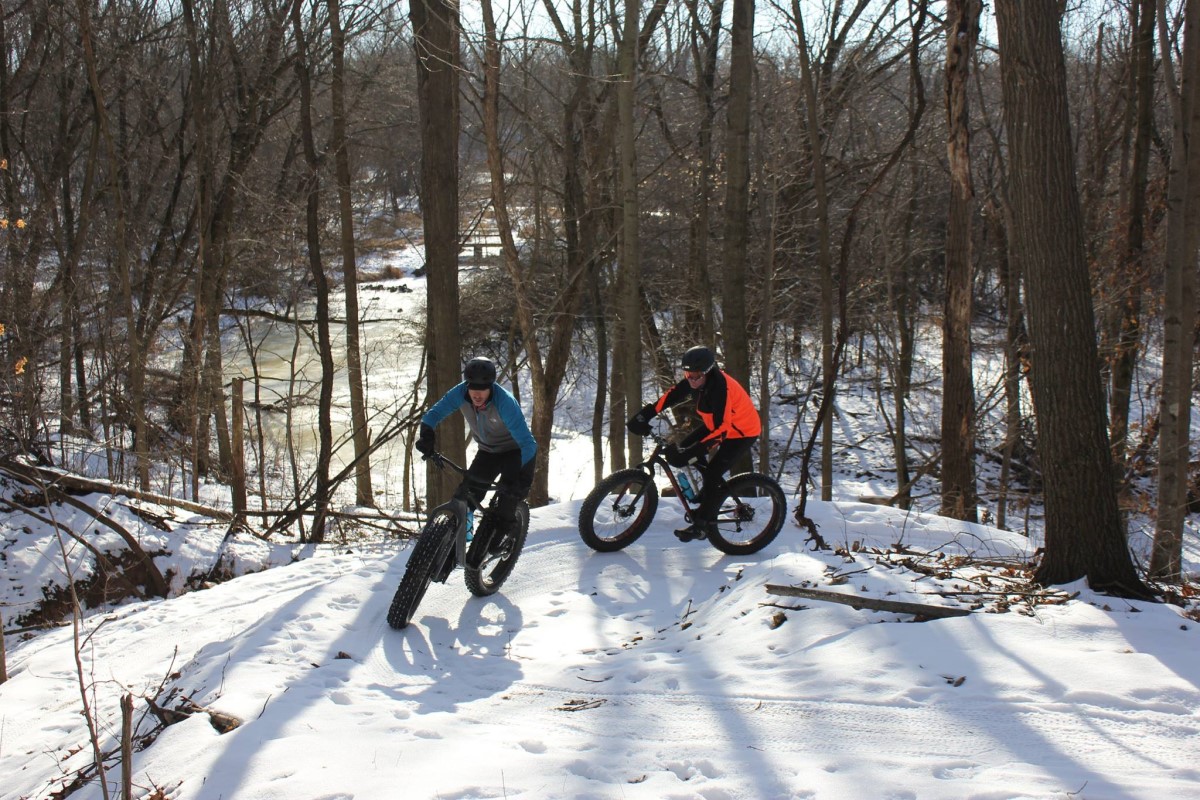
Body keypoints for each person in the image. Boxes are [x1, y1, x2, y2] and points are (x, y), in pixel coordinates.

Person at [626, 346, 762, 542]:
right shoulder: (697, 379)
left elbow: (723, 429)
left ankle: (702, 525)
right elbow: (672, 395)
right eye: (687, 374)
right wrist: (644, 415)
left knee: (713, 471)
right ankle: (708, 494)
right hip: (715, 426)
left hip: (741, 432)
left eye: (696, 376)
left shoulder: (720, 388)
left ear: (708, 372)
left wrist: (694, 451)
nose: (691, 379)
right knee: (684, 450)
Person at [415, 356, 537, 554]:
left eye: (482, 390)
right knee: (466, 496)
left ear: (491, 387)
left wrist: (522, 479)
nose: (477, 395)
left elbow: (528, 444)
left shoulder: (505, 402)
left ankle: (503, 538)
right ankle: (463, 536)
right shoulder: (460, 393)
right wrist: (427, 436)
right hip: (487, 451)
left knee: (507, 498)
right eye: (473, 390)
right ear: (467, 385)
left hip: (514, 452)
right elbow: (432, 415)